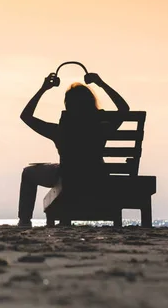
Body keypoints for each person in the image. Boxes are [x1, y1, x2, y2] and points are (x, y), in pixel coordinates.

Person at [17, 72, 130, 227]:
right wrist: (101, 83)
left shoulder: (61, 131)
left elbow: (26, 116)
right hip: (97, 176)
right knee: (60, 170)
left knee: (28, 173)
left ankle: (24, 221)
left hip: (68, 178)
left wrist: (44, 89)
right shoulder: (102, 126)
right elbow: (124, 109)